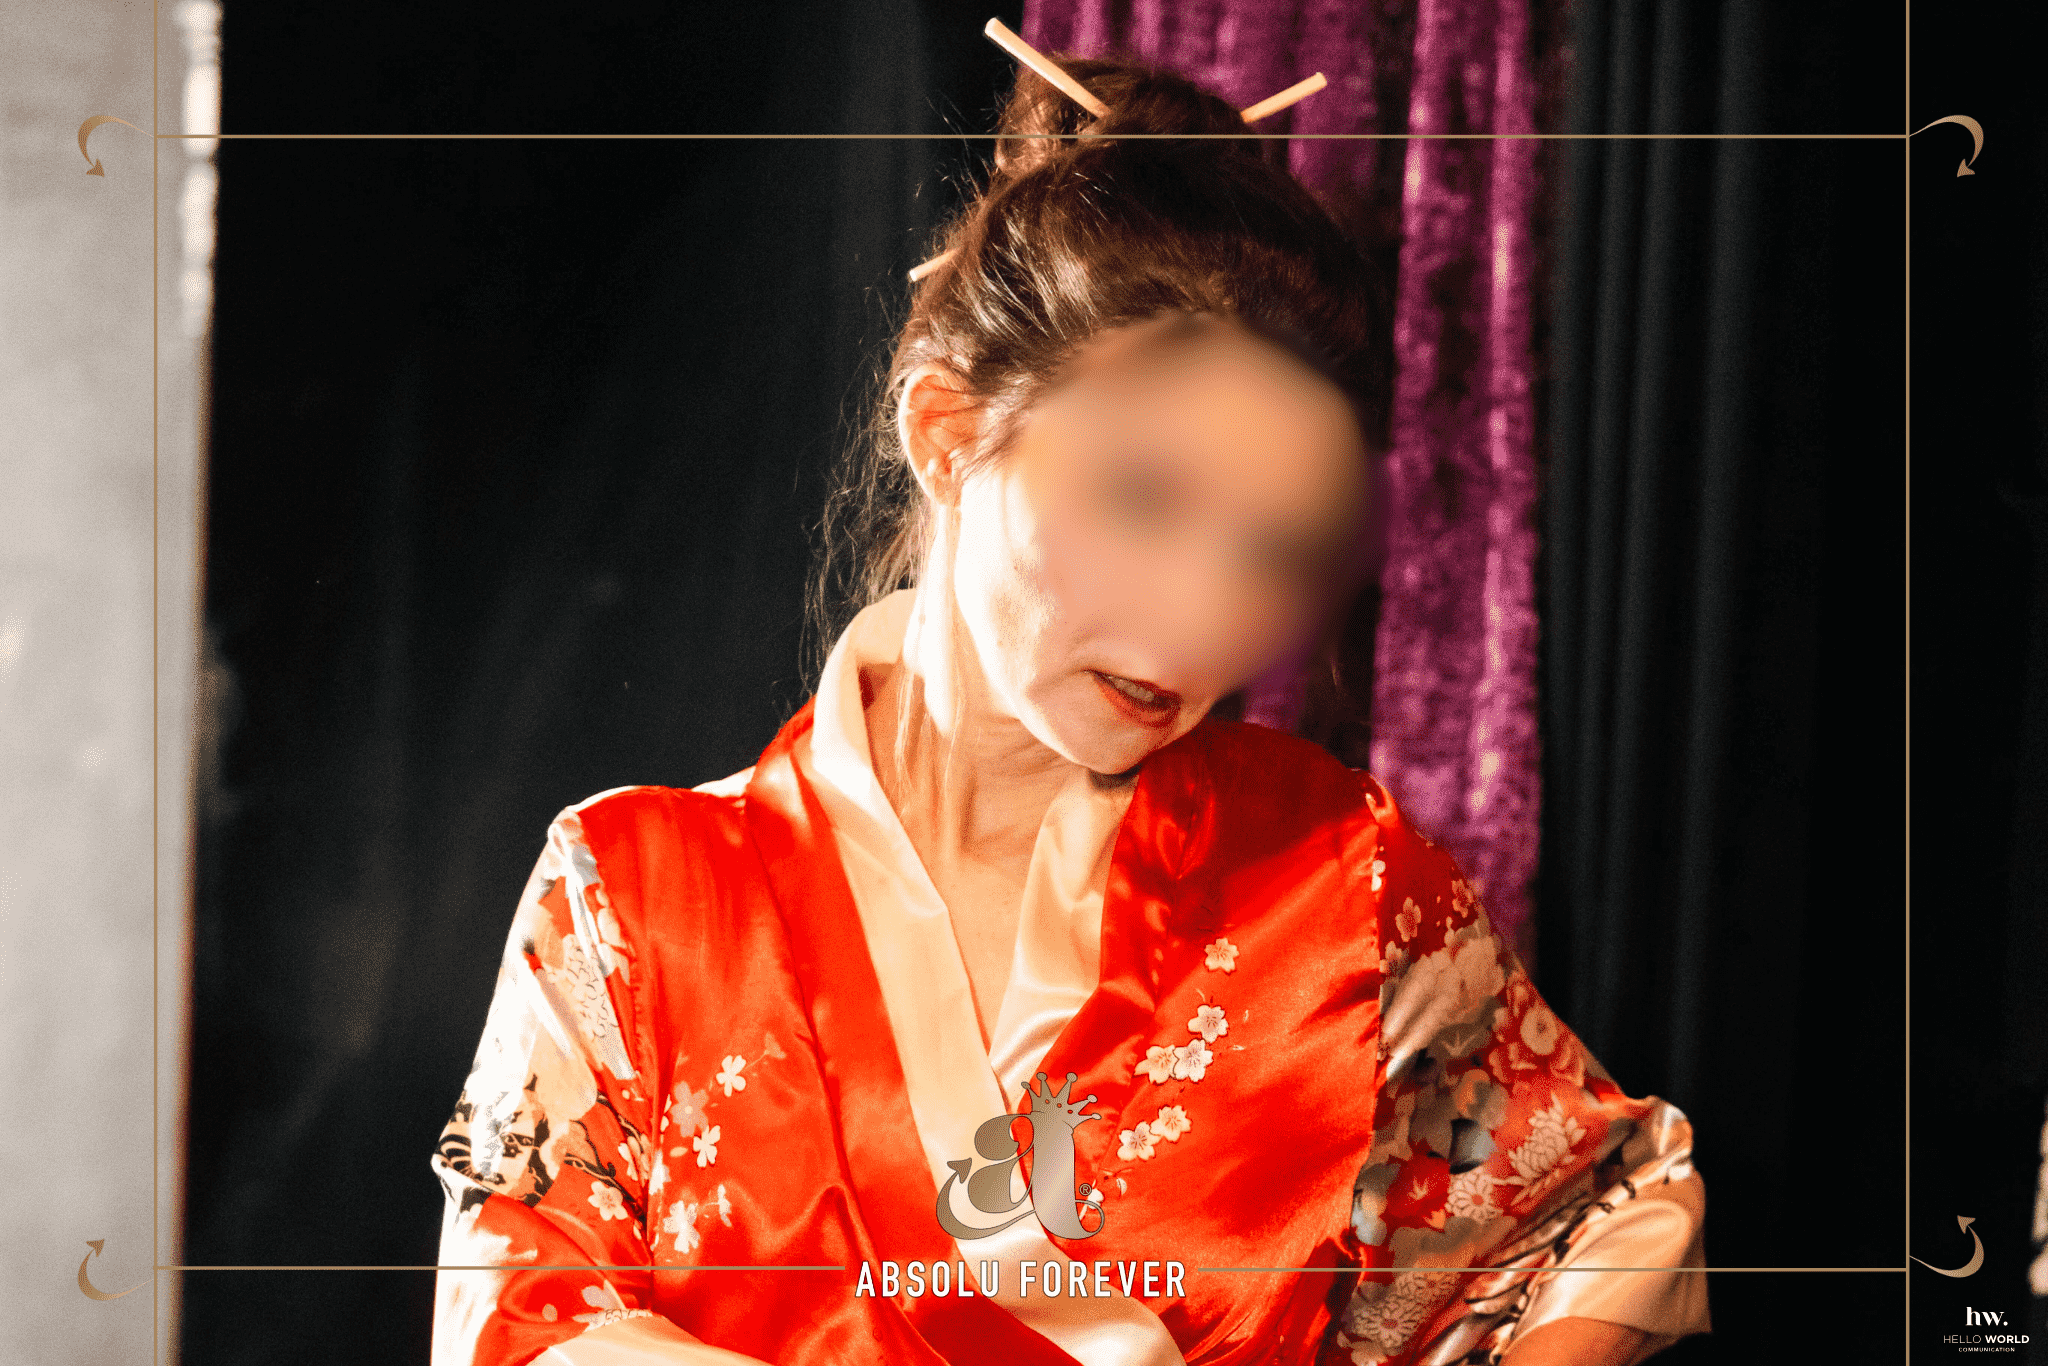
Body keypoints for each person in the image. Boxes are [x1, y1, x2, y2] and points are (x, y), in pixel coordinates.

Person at [427, 49, 1710, 1366]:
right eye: (1141, 499)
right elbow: (519, 1330)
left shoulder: (1336, 877)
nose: (1203, 618)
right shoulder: (635, 900)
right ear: (946, 433)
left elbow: (1609, 1209)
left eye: (1267, 548)